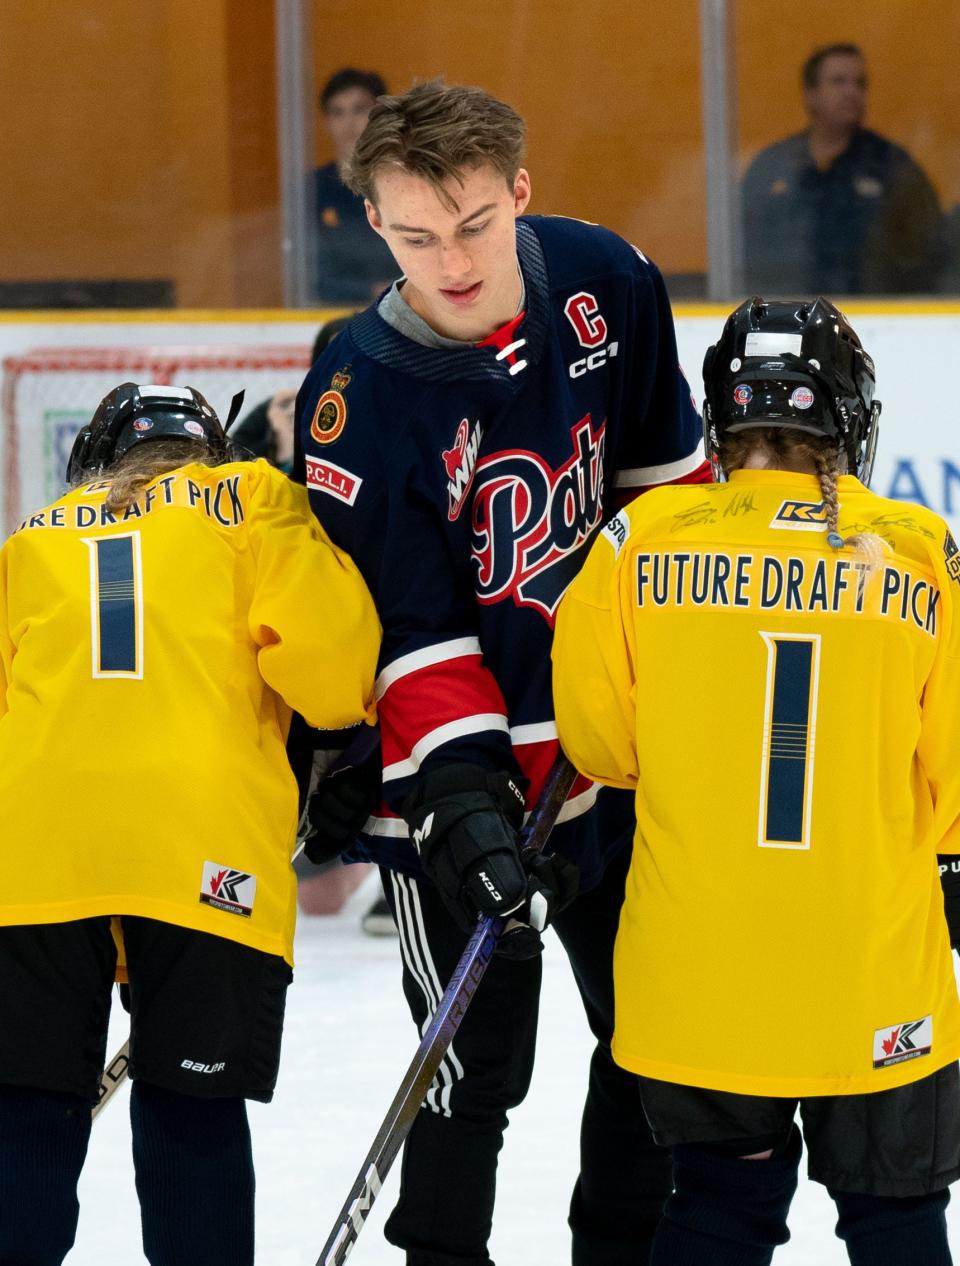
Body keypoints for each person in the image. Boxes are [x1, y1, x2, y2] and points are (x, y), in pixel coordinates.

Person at [294, 78, 710, 1266]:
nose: (453, 260)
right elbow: (412, 631)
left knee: (650, 1045)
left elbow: (668, 512)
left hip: (617, 759)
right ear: (375, 223)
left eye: (474, 224)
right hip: (463, 779)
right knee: (475, 1068)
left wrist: (654, 710)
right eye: (418, 236)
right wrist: (464, 801)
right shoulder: (357, 396)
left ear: (518, 193)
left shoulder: (609, 283)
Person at [553, 296, 960, 1265]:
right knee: (894, 1215)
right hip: (871, 965)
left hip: (697, 973)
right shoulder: (921, 549)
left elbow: (600, 745)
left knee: (720, 1207)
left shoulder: (636, 540)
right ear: (850, 417)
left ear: (723, 415)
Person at [0, 383, 379, 1265]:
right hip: (202, 854)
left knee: (24, 1112)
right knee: (191, 1114)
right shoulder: (250, 498)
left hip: (35, 860)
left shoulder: (31, 539)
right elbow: (331, 672)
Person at [742, 44, 945, 295]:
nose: (852, 91)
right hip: (790, 309)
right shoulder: (773, 166)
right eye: (839, 81)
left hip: (876, 314)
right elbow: (744, 248)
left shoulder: (892, 165)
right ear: (811, 94)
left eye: (860, 83)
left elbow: (928, 249)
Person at [313, 67, 399, 304]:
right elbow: (310, 274)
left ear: (379, 115)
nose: (348, 122)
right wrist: (368, 291)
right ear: (327, 121)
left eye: (359, 110)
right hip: (329, 315)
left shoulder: (405, 183)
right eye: (337, 112)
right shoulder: (312, 189)